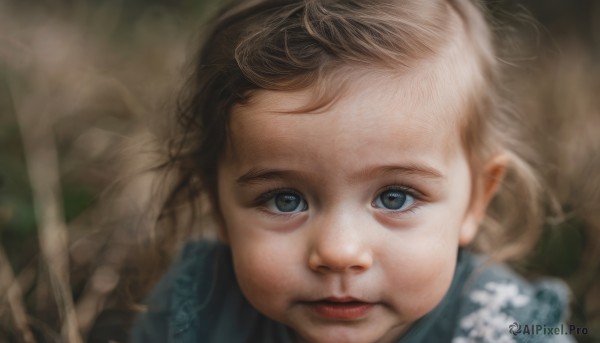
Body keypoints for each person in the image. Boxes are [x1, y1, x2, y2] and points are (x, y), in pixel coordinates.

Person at [130, 0, 573, 342]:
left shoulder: (505, 326)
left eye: (394, 197)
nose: (340, 251)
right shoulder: (199, 307)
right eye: (286, 199)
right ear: (217, 203)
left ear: (476, 198)